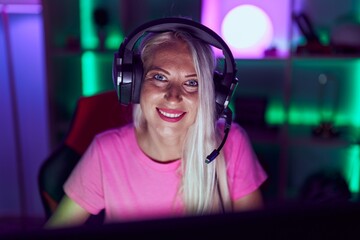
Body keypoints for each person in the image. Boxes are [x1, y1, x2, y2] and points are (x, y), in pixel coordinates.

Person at [45, 18, 267, 228]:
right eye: (159, 77)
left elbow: (254, 232)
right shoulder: (106, 152)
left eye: (191, 82)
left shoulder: (232, 143)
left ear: (212, 95)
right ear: (133, 84)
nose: (173, 96)